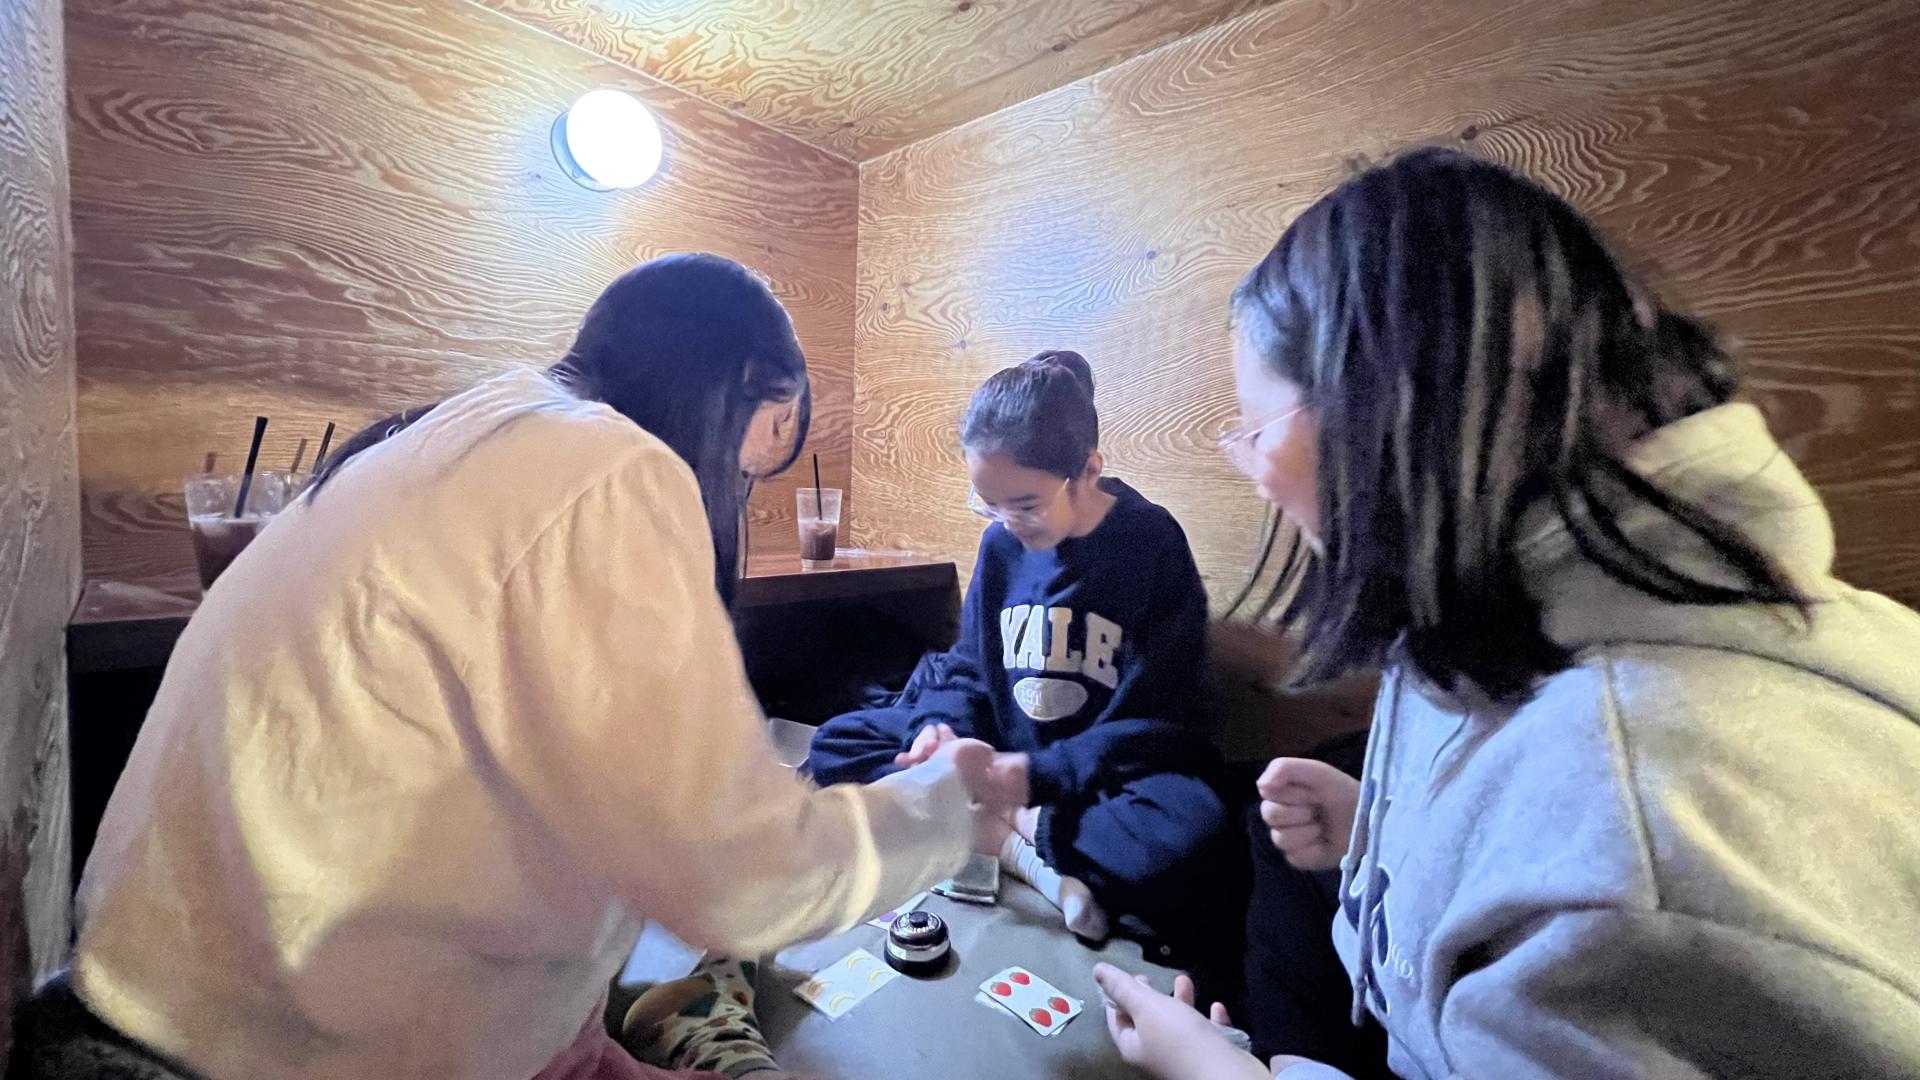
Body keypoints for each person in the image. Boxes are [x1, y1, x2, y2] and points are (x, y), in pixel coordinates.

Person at [62, 254, 1022, 1080]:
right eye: (754, 454)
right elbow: (741, 879)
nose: (736, 491)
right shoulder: (610, 465)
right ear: (737, 385)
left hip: (157, 994)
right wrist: (948, 802)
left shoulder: (452, 437)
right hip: (245, 1050)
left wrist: (567, 1023)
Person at [1095, 148, 1920, 1079]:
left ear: (1383, 416)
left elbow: (1578, 856)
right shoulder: (1510, 599)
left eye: (1255, 433)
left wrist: (1212, 1069)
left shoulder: (1622, 872)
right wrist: (1384, 832)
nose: (1257, 477)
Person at [807, 350, 1244, 977]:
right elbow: (969, 668)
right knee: (835, 743)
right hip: (1003, 756)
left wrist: (1035, 779)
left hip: (1092, 774)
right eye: (990, 506)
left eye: (1027, 505)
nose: (1009, 525)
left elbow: (1163, 722)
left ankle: (997, 830)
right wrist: (938, 728)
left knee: (1192, 835)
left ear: (1087, 471)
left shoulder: (1150, 543)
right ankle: (1027, 853)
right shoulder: (1001, 544)